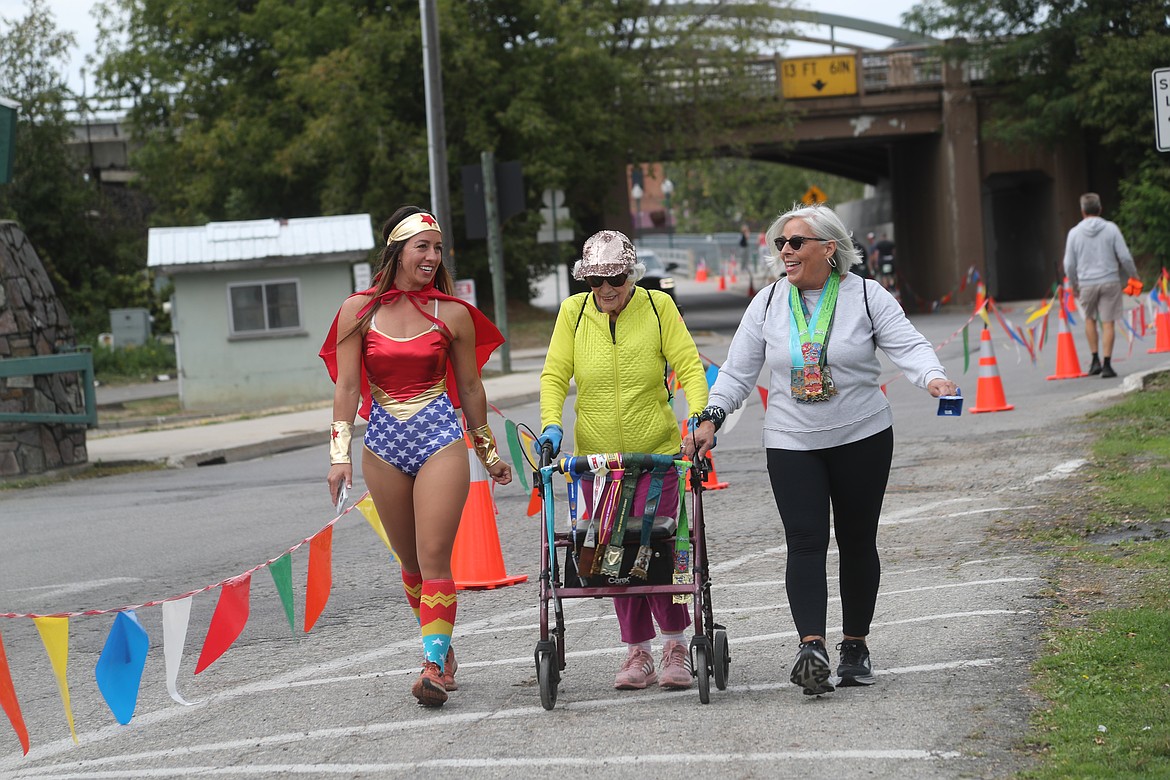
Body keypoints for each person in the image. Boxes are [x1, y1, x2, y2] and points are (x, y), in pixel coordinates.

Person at [682, 204, 957, 697]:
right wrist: (712, 417)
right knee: (805, 541)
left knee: (856, 541)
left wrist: (933, 378)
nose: (784, 252)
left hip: (862, 436)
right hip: (792, 441)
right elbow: (738, 373)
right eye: (780, 244)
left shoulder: (867, 296)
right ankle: (812, 648)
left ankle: (855, 645)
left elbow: (909, 345)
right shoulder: (767, 303)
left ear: (829, 249)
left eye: (795, 243)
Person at [320, 206, 512, 707]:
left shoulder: (453, 313)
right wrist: (339, 454)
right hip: (382, 444)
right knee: (408, 563)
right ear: (397, 251)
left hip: (439, 439)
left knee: (434, 557)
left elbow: (470, 386)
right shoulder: (355, 311)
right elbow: (345, 386)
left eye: (438, 248)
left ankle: (432, 665)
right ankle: (442, 648)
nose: (432, 256)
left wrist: (489, 453)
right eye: (422, 246)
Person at [536, 229, 709, 691]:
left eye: (614, 279)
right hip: (597, 461)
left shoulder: (658, 307)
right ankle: (638, 652)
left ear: (631, 274)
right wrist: (552, 423)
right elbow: (555, 373)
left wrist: (698, 418)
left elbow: (689, 365)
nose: (605, 291)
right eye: (595, 282)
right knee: (610, 551)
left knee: (658, 547)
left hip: (656, 455)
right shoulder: (573, 314)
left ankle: (675, 645)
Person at [1062, 192, 1138, 378]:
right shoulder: (1111, 229)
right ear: (1100, 209)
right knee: (1108, 322)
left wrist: (1074, 284)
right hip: (1110, 280)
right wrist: (1134, 275)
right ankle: (1107, 364)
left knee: (1090, 319)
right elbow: (1125, 256)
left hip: (1086, 283)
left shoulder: (1074, 233)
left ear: (1082, 211)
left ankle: (1094, 360)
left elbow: (1069, 264)